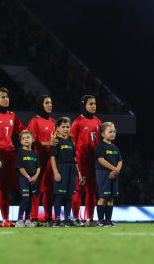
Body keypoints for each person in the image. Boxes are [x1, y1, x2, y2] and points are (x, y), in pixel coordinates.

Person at [0, 87, 25, 227]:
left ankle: (6, 219)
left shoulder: (12, 115)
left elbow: (23, 131)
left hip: (10, 155)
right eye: (2, 97)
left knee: (6, 189)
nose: (6, 99)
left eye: (7, 97)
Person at [71, 95, 101, 226]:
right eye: (91, 104)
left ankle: (90, 218)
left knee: (92, 190)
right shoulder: (77, 123)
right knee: (78, 190)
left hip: (93, 161)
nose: (94, 106)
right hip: (81, 162)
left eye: (95, 103)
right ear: (84, 105)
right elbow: (72, 144)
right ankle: (76, 218)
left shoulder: (99, 122)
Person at [26, 95, 57, 226]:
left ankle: (49, 217)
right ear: (40, 104)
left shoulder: (53, 121)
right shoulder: (34, 121)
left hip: (50, 160)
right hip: (37, 160)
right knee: (36, 189)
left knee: (49, 189)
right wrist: (47, 142)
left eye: (51, 102)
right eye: (47, 103)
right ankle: (34, 218)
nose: (50, 105)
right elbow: (31, 141)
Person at [50, 117, 82, 227]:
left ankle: (68, 219)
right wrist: (56, 173)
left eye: (68, 127)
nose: (66, 129)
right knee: (59, 194)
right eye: (63, 127)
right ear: (57, 128)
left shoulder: (70, 142)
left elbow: (74, 159)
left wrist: (79, 173)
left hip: (72, 169)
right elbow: (53, 158)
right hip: (61, 169)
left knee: (69, 195)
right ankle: (57, 219)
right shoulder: (55, 141)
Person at [95, 122, 123, 227]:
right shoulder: (100, 146)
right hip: (103, 173)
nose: (113, 133)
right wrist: (114, 169)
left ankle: (108, 220)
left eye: (114, 131)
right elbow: (101, 160)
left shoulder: (115, 147)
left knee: (111, 198)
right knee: (103, 197)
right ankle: (100, 220)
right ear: (103, 134)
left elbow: (120, 160)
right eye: (110, 132)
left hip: (114, 174)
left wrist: (116, 171)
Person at [15, 130, 40, 228]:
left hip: (33, 180)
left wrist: (35, 177)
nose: (26, 140)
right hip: (24, 179)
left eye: (28, 137)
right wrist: (28, 177)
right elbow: (20, 167)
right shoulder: (20, 153)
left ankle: (28, 220)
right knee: (25, 198)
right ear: (21, 141)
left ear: (32, 140)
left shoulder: (35, 154)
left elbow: (39, 167)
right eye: (23, 138)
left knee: (30, 200)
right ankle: (20, 220)